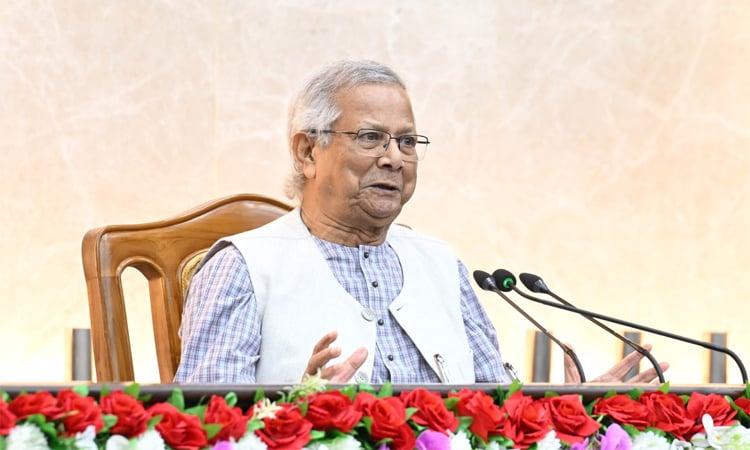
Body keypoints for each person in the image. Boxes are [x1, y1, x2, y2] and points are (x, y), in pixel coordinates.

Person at [174, 59, 667, 385]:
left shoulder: (443, 266)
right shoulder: (242, 268)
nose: (394, 158)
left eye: (407, 142)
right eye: (370, 137)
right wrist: (293, 412)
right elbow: (207, 432)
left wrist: (563, 414)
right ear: (307, 151)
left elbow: (495, 414)